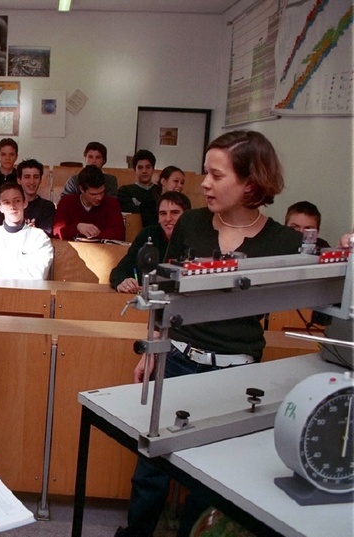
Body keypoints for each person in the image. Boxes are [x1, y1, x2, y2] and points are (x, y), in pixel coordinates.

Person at [116, 130, 302, 537]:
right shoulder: (192, 224)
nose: (204, 183)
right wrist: (152, 351)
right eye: (205, 173)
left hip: (238, 376)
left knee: (210, 480)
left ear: (250, 182)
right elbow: (166, 294)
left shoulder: (284, 241)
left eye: (217, 176)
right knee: (151, 469)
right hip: (178, 361)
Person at [110, 191, 191, 293]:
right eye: (163, 214)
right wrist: (122, 282)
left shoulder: (196, 239)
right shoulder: (148, 234)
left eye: (174, 213)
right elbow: (120, 270)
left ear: (187, 216)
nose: (168, 219)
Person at [0, 182, 53, 280]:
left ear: (25, 203)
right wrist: (22, 273)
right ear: (0, 208)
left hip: (29, 294)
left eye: (17, 201)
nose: (12, 206)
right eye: (6, 202)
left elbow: (37, 277)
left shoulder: (40, 237)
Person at [53, 165, 125, 241]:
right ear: (81, 189)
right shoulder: (66, 202)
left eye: (102, 192)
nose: (99, 198)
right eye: (93, 194)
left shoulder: (112, 204)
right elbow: (57, 232)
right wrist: (77, 228)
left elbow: (119, 234)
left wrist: (92, 235)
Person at [0, 158, 56, 236]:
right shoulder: (6, 205)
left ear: (40, 180)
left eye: (35, 177)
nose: (32, 182)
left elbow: (45, 236)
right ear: (19, 180)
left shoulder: (47, 207)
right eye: (27, 177)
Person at [118, 149, 158, 227]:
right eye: (140, 167)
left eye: (148, 167)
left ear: (153, 169)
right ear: (134, 170)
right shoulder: (125, 191)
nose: (144, 171)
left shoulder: (160, 191)